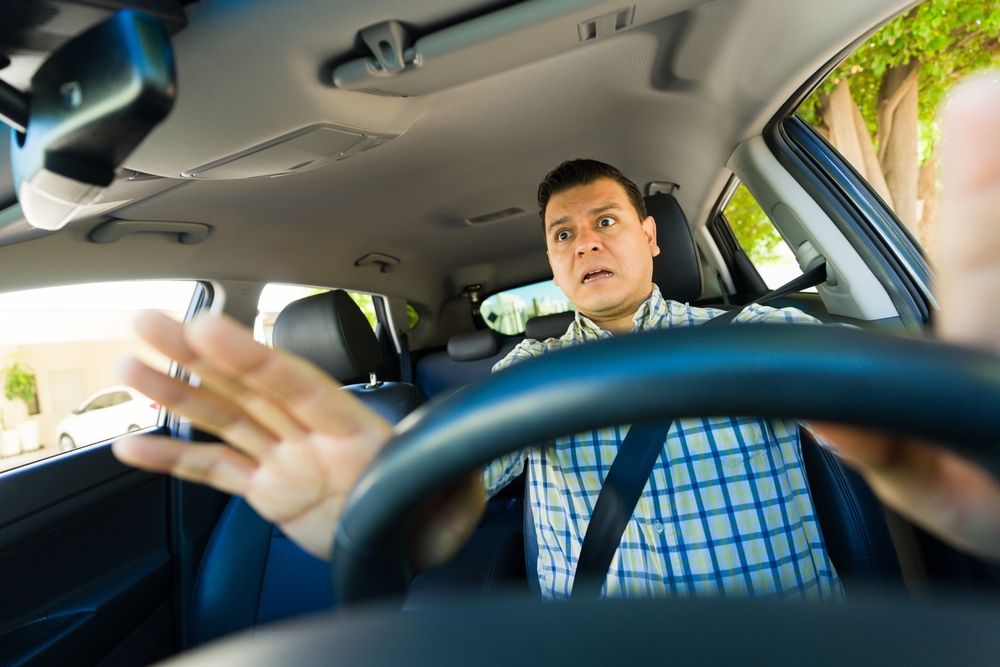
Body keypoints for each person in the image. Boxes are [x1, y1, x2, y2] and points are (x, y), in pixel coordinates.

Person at [112, 75, 1000, 596]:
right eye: (563, 235)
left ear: (651, 236)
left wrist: (963, 431)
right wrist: (392, 490)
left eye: (605, 221)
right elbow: (460, 479)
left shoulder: (759, 330)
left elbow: (889, 421)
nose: (585, 244)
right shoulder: (530, 369)